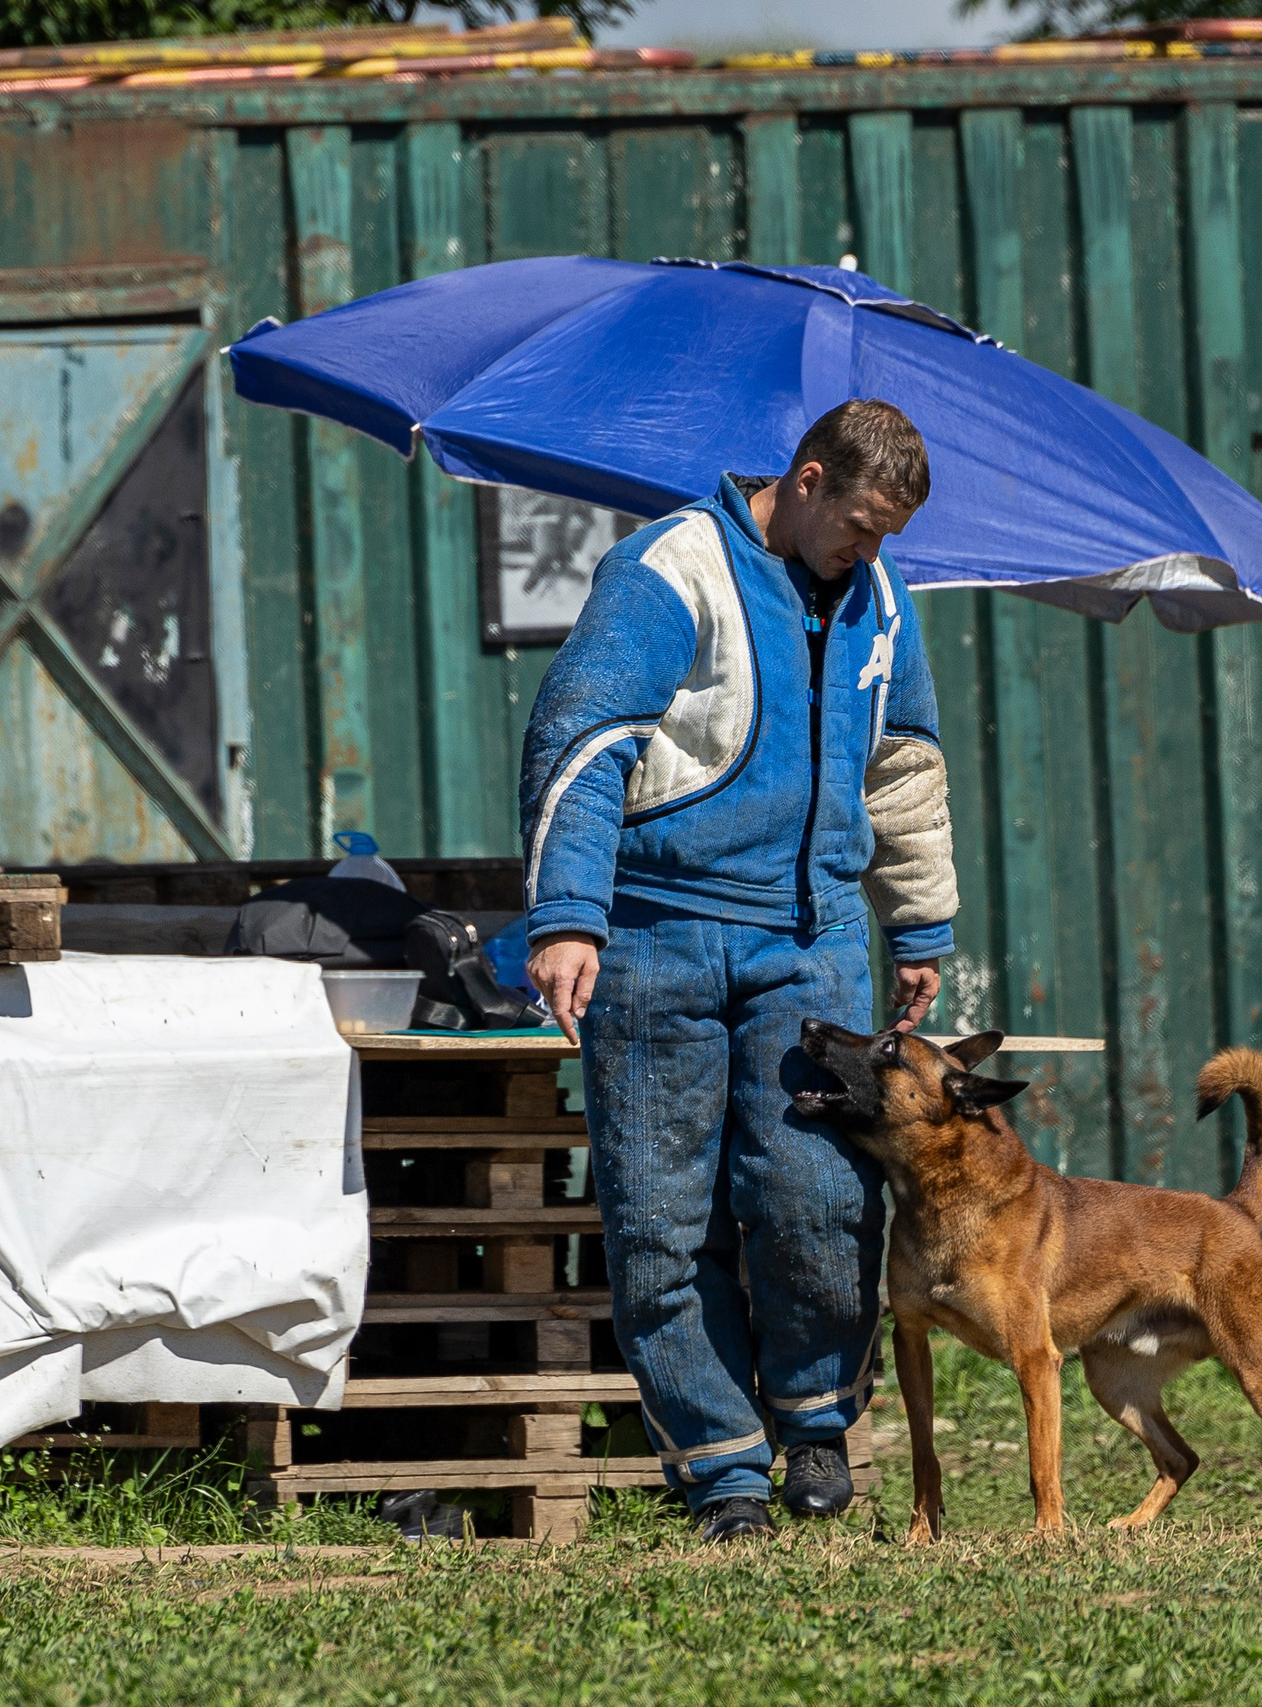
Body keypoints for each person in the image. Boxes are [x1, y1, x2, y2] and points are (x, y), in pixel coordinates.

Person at [519, 400, 958, 1543]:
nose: (869, 552)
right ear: (805, 479)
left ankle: (812, 1423)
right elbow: (582, 733)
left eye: (886, 534)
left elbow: (903, 765)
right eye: (859, 523)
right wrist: (569, 915)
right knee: (664, 1222)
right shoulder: (670, 568)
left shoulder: (878, 600)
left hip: (808, 940)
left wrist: (917, 926)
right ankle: (720, 1474)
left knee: (818, 1195)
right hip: (657, 933)